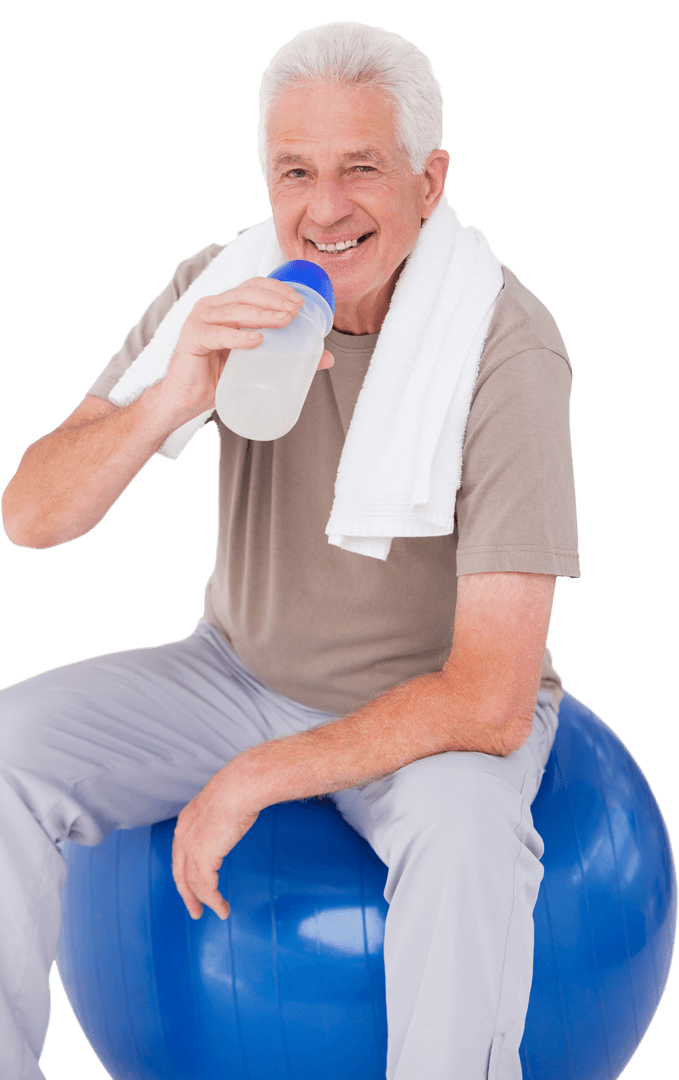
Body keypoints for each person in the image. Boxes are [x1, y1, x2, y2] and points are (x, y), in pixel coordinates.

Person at [0, 21, 579, 1080]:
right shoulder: (226, 288)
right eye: (294, 171)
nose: (324, 209)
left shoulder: (506, 344)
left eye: (361, 168)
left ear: (428, 180)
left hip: (430, 712)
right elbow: (32, 516)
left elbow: (492, 696)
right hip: (235, 671)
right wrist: (175, 391)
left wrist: (258, 777)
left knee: (463, 844)